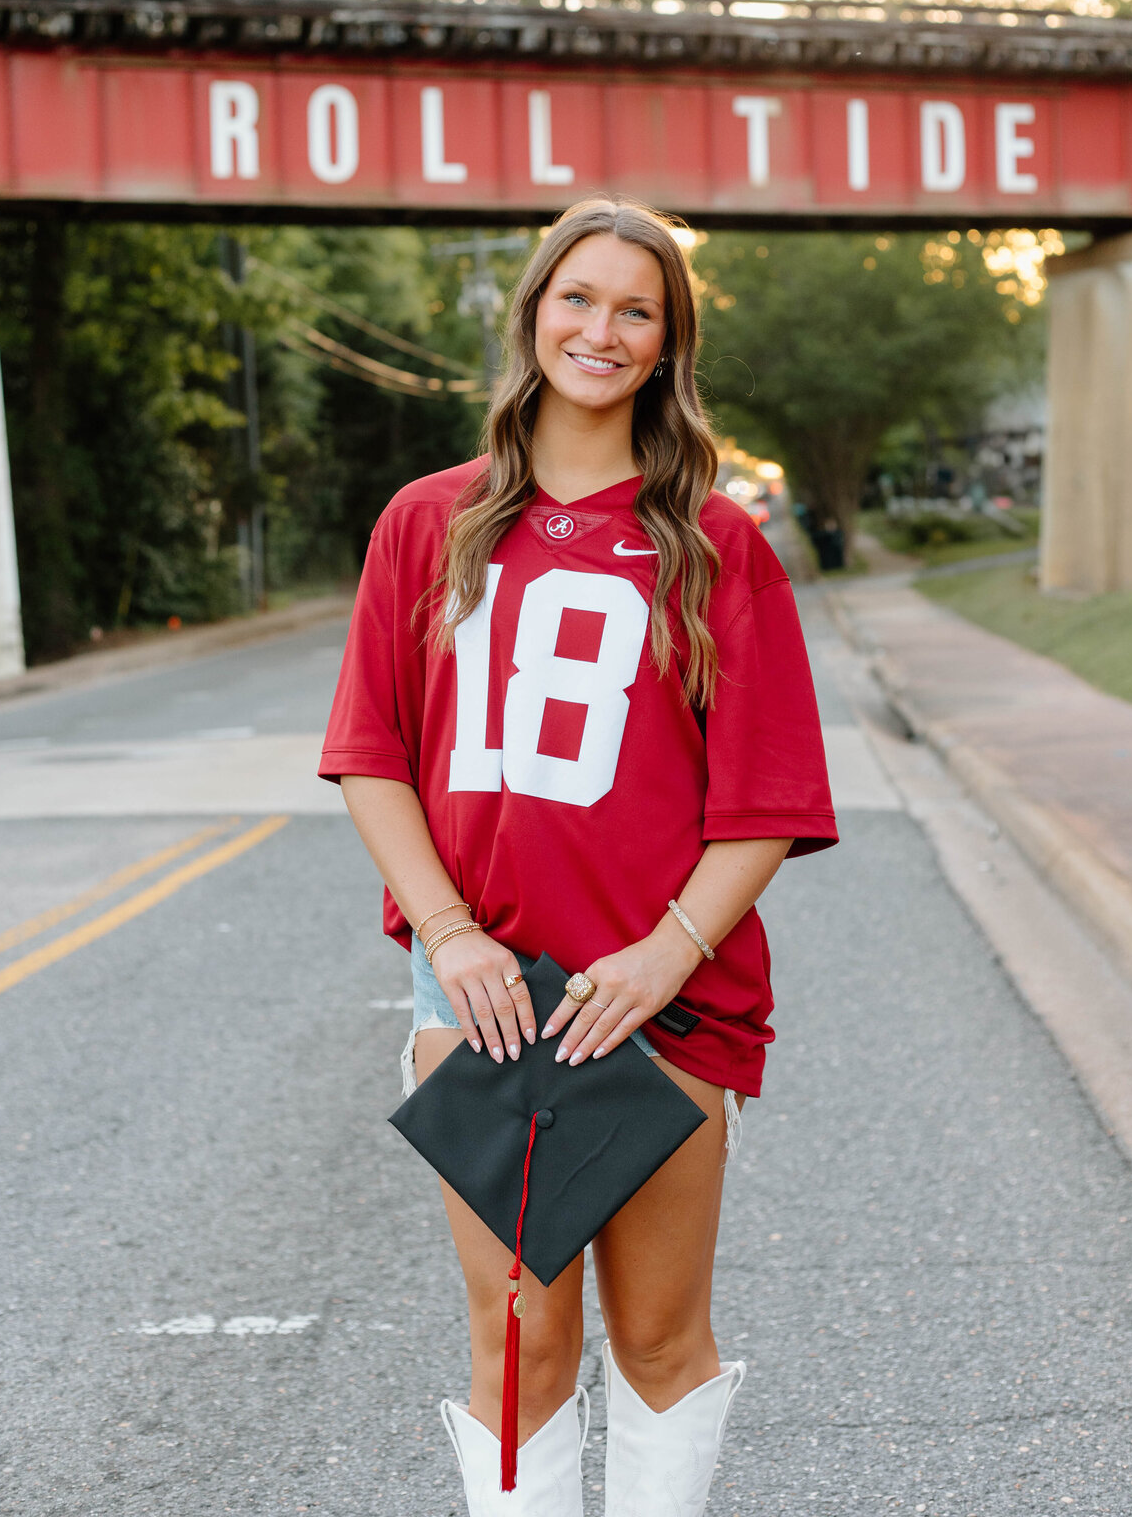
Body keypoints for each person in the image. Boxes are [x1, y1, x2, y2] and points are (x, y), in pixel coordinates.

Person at [320, 197, 837, 1516]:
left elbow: (764, 802)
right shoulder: (426, 524)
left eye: (635, 309)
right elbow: (373, 753)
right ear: (533, 311)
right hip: (481, 995)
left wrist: (664, 957)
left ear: (667, 345)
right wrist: (448, 932)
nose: (599, 329)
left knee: (661, 1344)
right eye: (577, 298)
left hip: (655, 1003)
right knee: (518, 1345)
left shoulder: (718, 547)